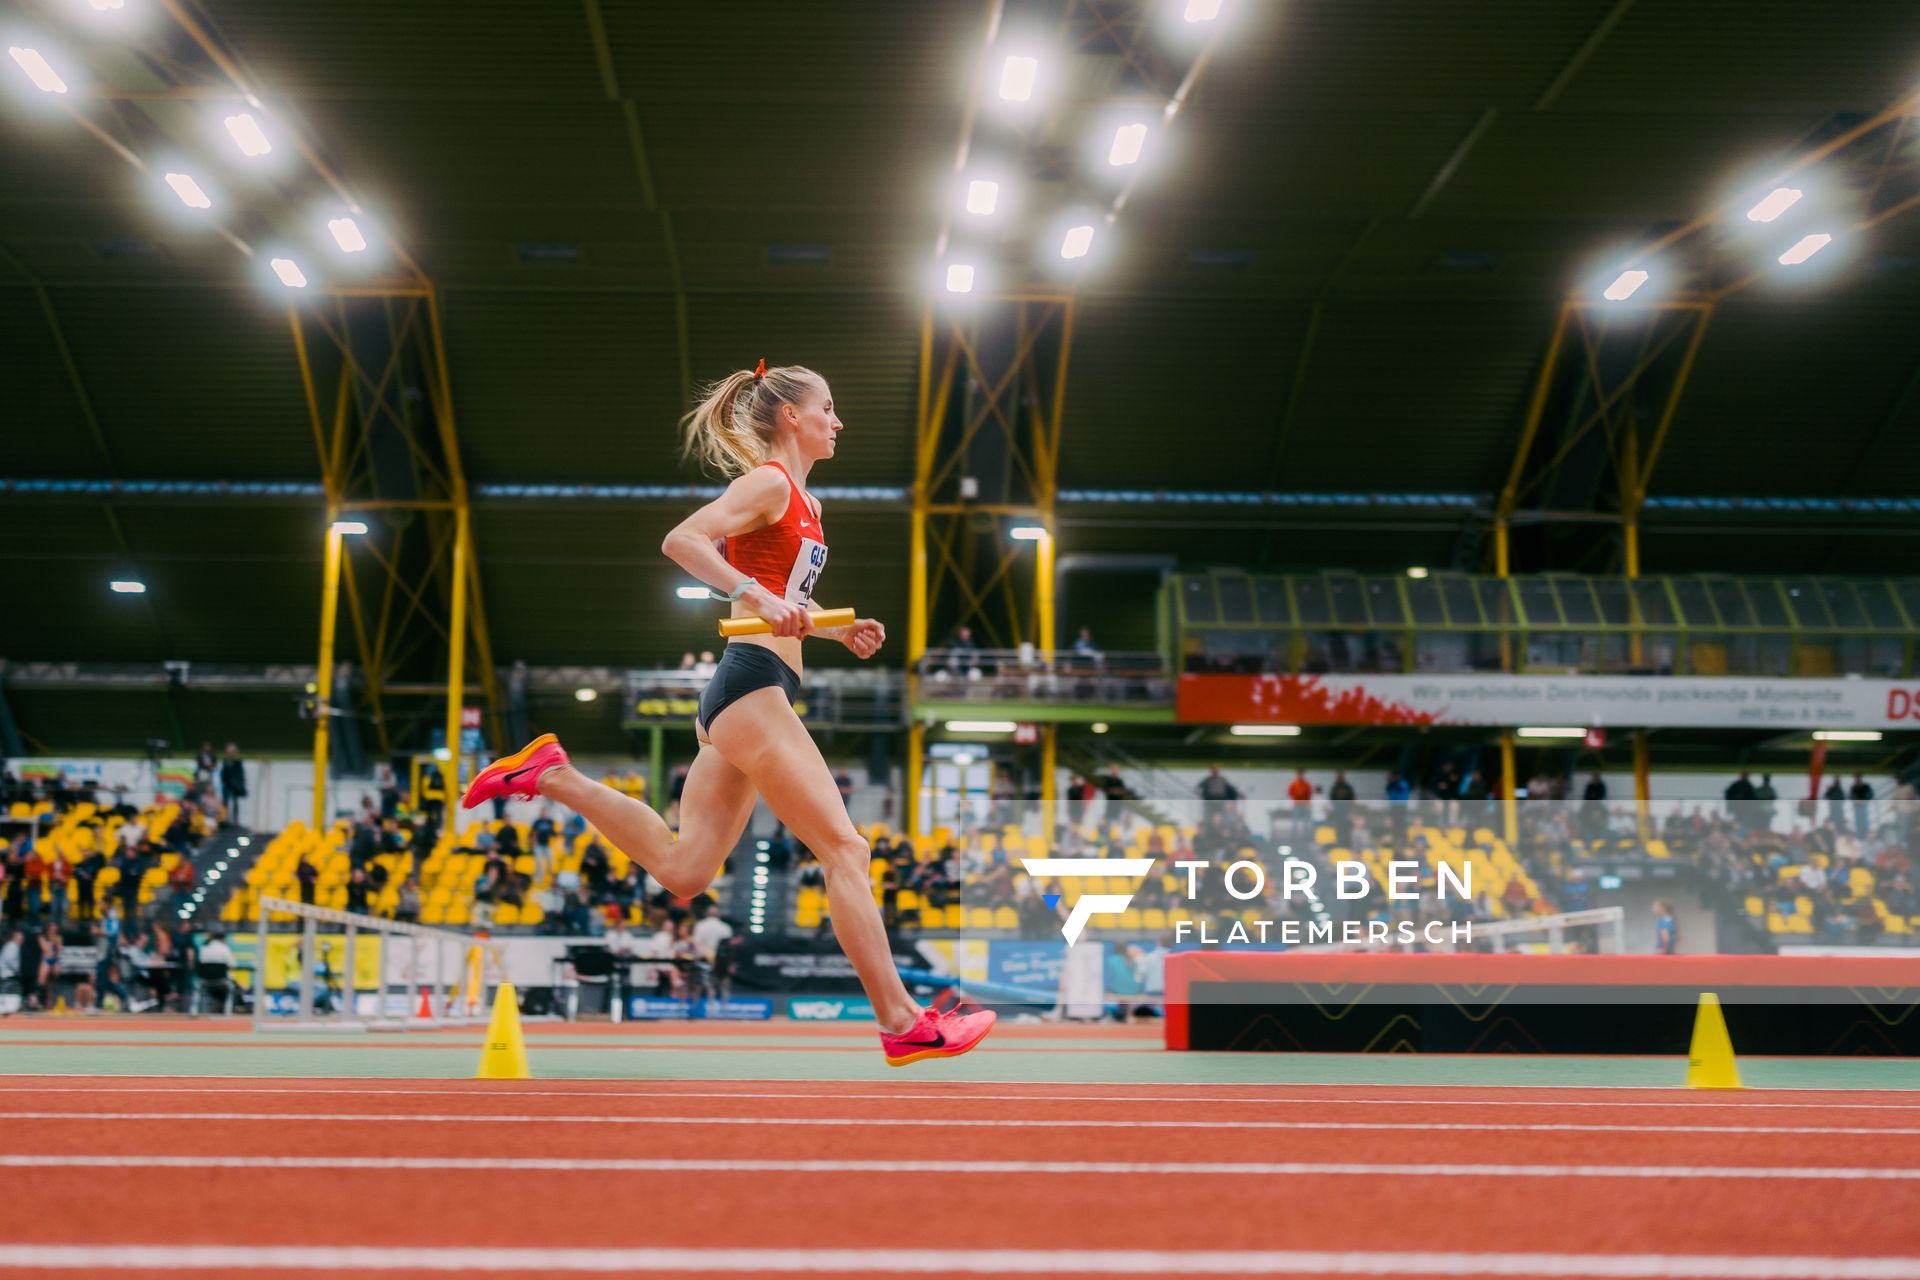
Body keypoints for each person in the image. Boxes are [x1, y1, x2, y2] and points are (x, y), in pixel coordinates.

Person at [461, 359, 992, 1067]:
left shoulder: (809, 505)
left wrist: (837, 628)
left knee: (684, 871)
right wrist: (753, 592)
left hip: (756, 688)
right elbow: (683, 540)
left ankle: (552, 776)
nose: (839, 421)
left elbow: (783, 599)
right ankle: (901, 1021)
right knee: (846, 848)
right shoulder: (768, 483)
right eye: (828, 409)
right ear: (791, 418)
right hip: (753, 685)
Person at [219, 744, 248, 827]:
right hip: (227, 785)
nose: (231, 753)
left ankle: (235, 820)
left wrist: (238, 784)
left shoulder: (238, 763)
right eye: (229, 752)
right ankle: (224, 819)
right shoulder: (225, 762)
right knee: (225, 803)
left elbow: (240, 775)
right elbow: (223, 773)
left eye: (232, 752)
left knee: (235, 803)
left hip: (234, 786)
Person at [1850, 774, 1874, 840]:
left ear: (1861, 778)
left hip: (1864, 806)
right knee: (1858, 822)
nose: (1857, 779)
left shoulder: (1866, 786)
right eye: (1856, 778)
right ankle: (1860, 837)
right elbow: (1851, 796)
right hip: (1857, 807)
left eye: (1858, 778)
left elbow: (1871, 795)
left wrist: (1864, 801)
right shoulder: (1853, 787)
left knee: (1865, 821)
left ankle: (1866, 837)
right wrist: (1855, 801)